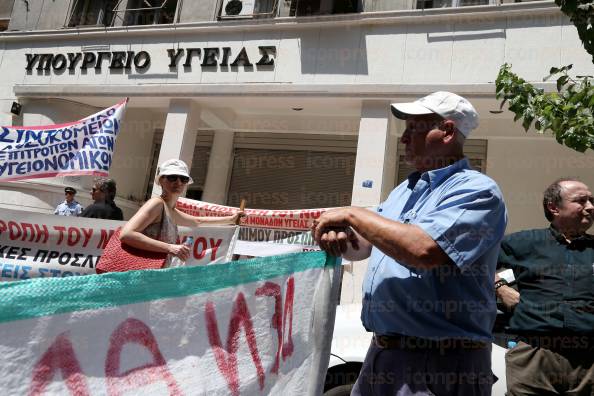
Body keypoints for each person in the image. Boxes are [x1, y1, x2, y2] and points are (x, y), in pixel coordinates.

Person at [312, 91, 507, 396]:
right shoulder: (405, 189)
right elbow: (365, 245)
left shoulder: (478, 190)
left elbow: (422, 250)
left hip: (438, 364)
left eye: (413, 128)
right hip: (383, 355)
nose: (403, 139)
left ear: (447, 131)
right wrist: (341, 238)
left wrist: (353, 213)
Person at [497, 178, 594, 396]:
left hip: (589, 362)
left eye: (591, 200)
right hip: (534, 357)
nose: (590, 206)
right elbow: (474, 265)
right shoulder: (524, 242)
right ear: (554, 207)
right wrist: (500, 287)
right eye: (581, 201)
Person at [120, 159, 243, 267]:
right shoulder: (156, 204)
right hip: (140, 273)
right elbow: (127, 234)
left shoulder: (170, 210)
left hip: (154, 273)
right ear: (161, 180)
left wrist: (231, 219)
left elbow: (197, 221)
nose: (178, 182)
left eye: (183, 179)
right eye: (172, 177)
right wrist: (170, 248)